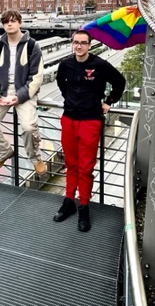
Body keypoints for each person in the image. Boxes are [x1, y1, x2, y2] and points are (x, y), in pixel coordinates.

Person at [53, 30, 125, 232]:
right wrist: (69, 98)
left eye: (83, 43)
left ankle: (83, 205)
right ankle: (69, 201)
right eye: (76, 42)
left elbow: (119, 82)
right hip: (69, 119)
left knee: (85, 167)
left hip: (90, 121)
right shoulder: (65, 65)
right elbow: (60, 83)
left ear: (89, 45)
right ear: (72, 44)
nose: (79, 46)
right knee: (71, 164)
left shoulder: (99, 65)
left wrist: (109, 102)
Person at [0, 9, 47, 175]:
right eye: (6, 22)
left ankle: (35, 158)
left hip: (24, 92)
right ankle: (3, 152)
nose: (9, 24)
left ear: (20, 23)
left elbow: (36, 77)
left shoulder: (32, 46)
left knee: (29, 127)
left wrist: (20, 96)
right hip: (2, 91)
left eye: (13, 21)